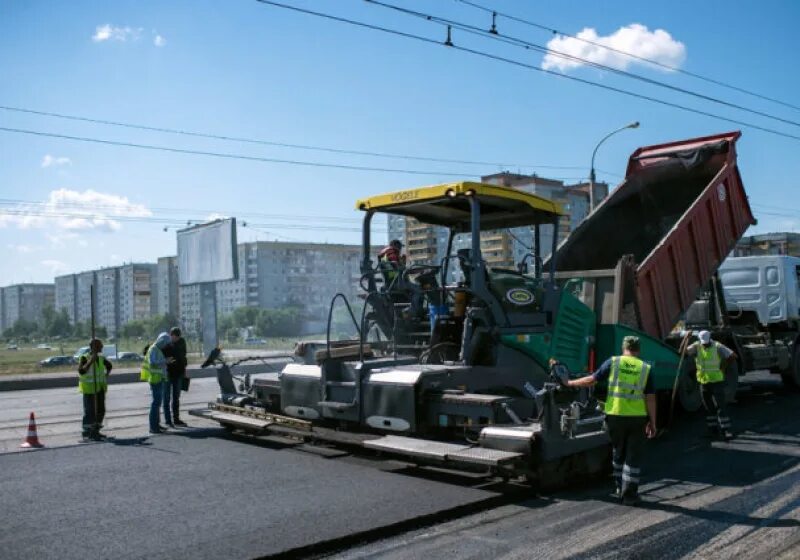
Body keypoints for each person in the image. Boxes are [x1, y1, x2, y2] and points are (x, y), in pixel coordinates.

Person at [557, 336, 657, 506]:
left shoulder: (613, 362)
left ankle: (619, 488)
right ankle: (630, 495)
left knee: (618, 453)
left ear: (623, 348)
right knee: (633, 457)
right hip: (637, 419)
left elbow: (592, 379)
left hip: (615, 416)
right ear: (638, 350)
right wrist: (653, 422)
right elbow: (650, 399)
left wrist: (570, 382)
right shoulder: (645, 368)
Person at [687, 330, 736, 440]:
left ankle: (726, 430)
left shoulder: (717, 346)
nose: (705, 344)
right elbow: (682, 353)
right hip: (703, 383)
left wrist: (723, 367)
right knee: (708, 408)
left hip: (716, 382)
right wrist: (685, 339)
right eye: (703, 342)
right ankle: (713, 430)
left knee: (720, 406)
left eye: (707, 342)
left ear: (710, 339)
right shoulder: (697, 346)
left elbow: (732, 355)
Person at [77, 338, 113, 441]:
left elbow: (109, 366)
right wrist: (90, 361)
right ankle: (87, 434)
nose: (102, 347)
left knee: (101, 411)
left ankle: (96, 431)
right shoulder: (84, 357)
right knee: (90, 412)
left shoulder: (101, 358)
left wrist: (106, 375)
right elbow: (81, 371)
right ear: (95, 347)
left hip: (100, 389)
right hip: (89, 390)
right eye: (100, 345)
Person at [140, 332, 171, 434]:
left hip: (158, 379)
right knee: (155, 403)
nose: (166, 345)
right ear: (162, 341)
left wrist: (165, 361)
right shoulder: (154, 349)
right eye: (166, 343)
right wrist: (165, 361)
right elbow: (153, 362)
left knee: (157, 403)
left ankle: (156, 425)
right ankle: (153, 427)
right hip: (155, 380)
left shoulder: (156, 349)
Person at [162, 327, 188, 427]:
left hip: (179, 373)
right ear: (171, 335)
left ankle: (176, 419)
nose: (174, 338)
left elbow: (183, 358)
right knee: (166, 398)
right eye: (173, 336)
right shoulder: (166, 343)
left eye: (176, 337)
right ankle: (168, 421)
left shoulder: (182, 343)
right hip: (168, 374)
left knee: (176, 398)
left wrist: (184, 371)